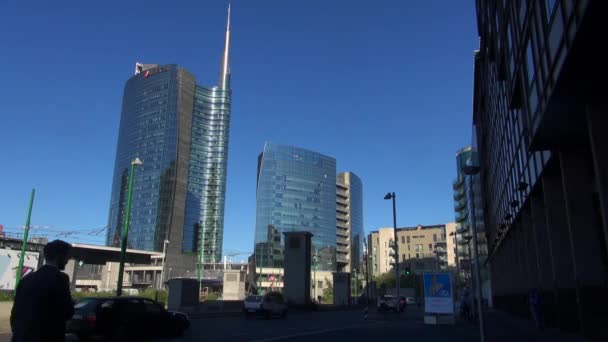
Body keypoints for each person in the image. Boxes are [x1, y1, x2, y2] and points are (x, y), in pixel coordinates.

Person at [11, 240, 74, 342]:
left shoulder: (26, 279)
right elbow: (67, 312)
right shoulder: (61, 278)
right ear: (60, 256)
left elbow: (15, 313)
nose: (68, 260)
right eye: (67, 256)